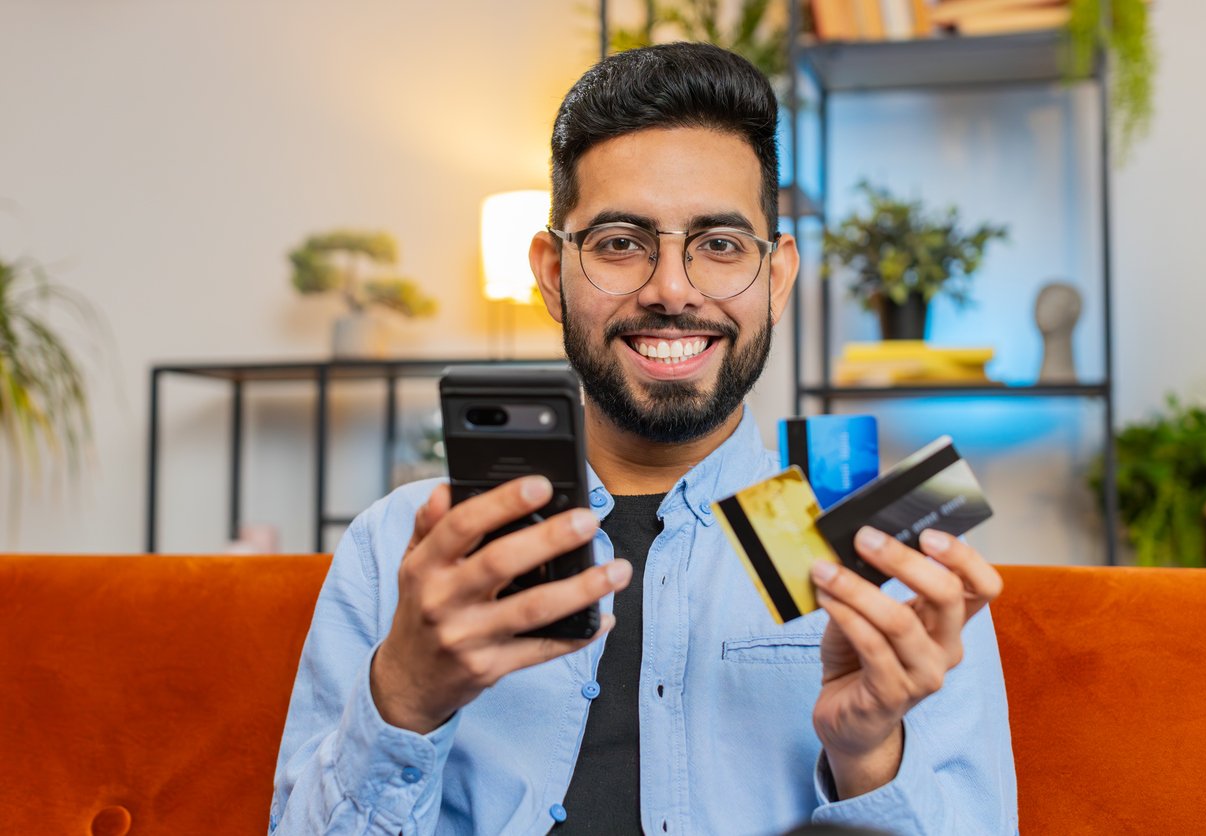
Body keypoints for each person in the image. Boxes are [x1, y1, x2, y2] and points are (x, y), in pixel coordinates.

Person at [270, 42, 1017, 835]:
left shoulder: (896, 562)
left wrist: (867, 756)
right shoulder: (398, 553)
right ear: (553, 273)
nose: (670, 289)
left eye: (721, 245)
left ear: (778, 276)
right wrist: (406, 698)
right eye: (621, 242)